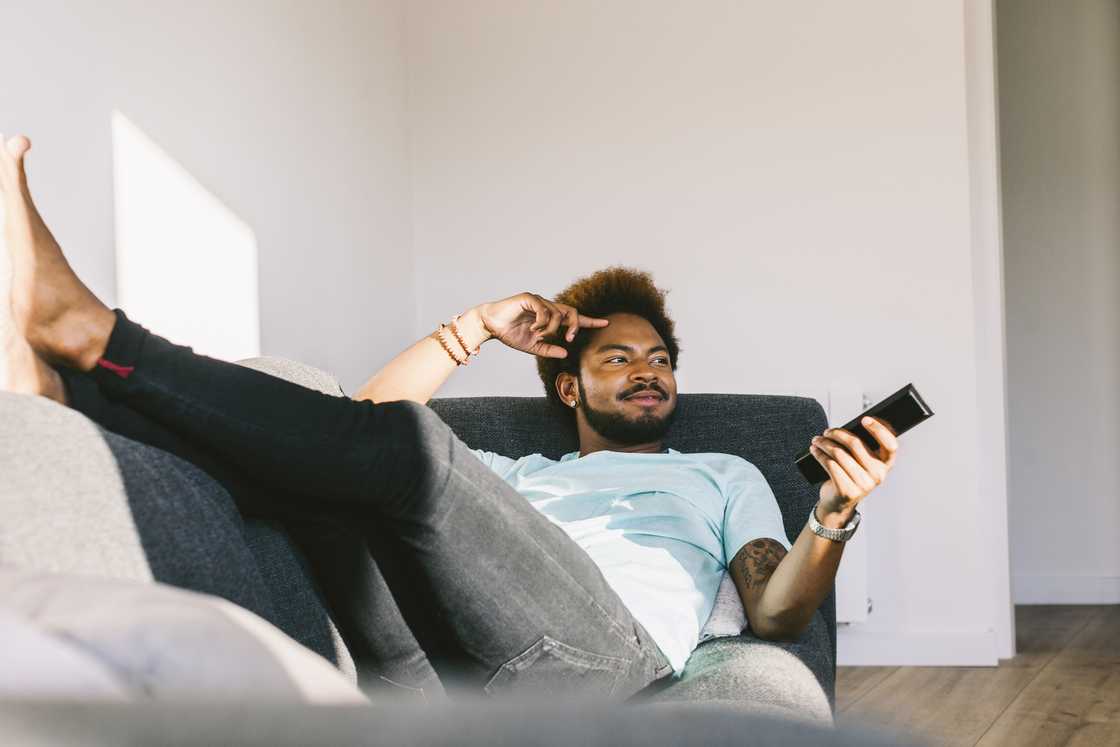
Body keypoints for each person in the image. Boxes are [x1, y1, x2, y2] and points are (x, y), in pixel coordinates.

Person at [0, 133, 900, 702]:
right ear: (567, 388)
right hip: (436, 670)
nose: (648, 372)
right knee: (325, 476)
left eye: (660, 358)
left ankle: (93, 341)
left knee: (411, 454)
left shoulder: (720, 473)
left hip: (602, 662)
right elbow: (353, 424)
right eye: (617, 357)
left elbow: (776, 615)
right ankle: (77, 400)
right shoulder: (514, 481)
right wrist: (472, 328)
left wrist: (830, 515)